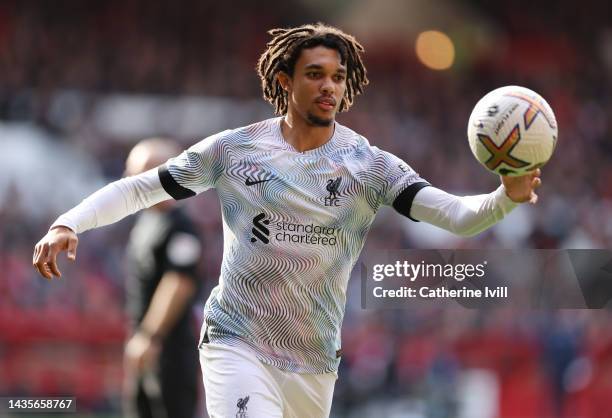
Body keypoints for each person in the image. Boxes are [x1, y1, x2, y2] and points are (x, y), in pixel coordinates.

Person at [33, 23, 542, 418]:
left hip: (314, 362)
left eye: (338, 77)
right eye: (315, 74)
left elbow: (454, 216)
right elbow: (143, 187)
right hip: (236, 341)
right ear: (284, 80)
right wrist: (68, 222)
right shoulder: (235, 150)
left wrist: (504, 197)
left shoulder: (371, 167)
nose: (329, 87)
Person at [125, 138, 202, 418]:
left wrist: (149, 336)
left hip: (169, 348)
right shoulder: (147, 220)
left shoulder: (180, 226)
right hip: (146, 342)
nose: (132, 178)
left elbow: (179, 283)